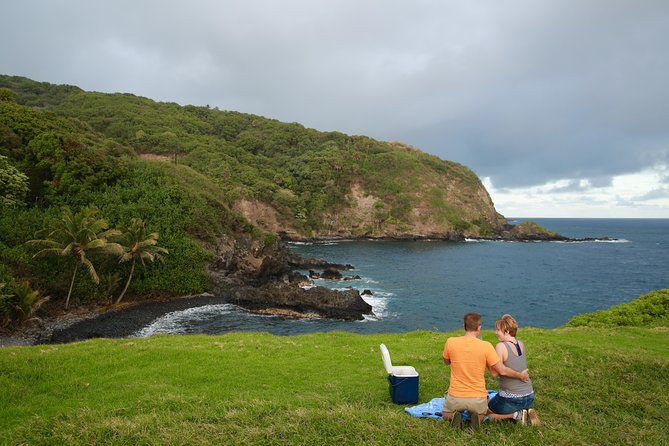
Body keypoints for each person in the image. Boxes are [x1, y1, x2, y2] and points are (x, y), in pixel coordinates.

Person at [442, 312, 530, 429]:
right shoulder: (486, 346)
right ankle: (477, 417)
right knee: (482, 414)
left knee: (446, 414)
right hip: (477, 398)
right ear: (479, 328)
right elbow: (496, 372)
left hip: (456, 396)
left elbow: (447, 361)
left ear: (464, 326)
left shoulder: (451, 341)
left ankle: (455, 416)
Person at [486, 314, 541, 426]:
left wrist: (486, 359)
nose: (495, 333)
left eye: (497, 330)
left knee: (484, 411)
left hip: (511, 401)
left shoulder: (501, 346)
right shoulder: (521, 344)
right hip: (529, 397)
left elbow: (497, 372)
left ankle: (517, 415)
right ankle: (526, 411)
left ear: (506, 331)